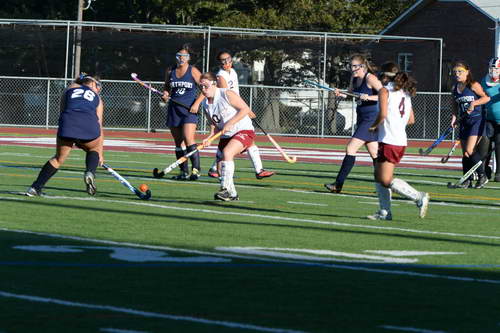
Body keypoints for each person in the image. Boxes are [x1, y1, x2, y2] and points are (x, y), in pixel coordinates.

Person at [191, 50, 274, 180]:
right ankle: (218, 171)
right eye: (224, 61)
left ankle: (258, 170)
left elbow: (234, 96)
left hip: (237, 113)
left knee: (241, 145)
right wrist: (210, 136)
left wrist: (245, 109)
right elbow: (226, 94)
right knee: (229, 150)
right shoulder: (221, 76)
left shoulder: (233, 72)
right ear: (220, 63)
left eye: (229, 59)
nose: (227, 63)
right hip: (230, 112)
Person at [25, 73, 104, 196]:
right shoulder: (98, 99)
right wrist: (100, 153)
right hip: (89, 126)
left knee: (58, 158)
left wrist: (72, 135)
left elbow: (62, 111)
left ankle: (35, 188)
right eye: (98, 86)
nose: (99, 89)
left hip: (68, 124)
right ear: (93, 83)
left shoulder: (70, 88)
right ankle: (90, 172)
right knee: (93, 148)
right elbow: (99, 125)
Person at [367, 70, 429, 220]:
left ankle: (418, 196)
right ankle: (384, 212)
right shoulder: (404, 93)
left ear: (386, 77)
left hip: (390, 140)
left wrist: (374, 126)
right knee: (378, 175)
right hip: (399, 139)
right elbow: (411, 119)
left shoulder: (385, 91)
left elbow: (382, 115)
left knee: (386, 180)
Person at [324, 54, 383, 193]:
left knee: (350, 149)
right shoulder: (354, 78)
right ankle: (383, 186)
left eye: (354, 66)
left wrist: (369, 97)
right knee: (375, 154)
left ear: (362, 66)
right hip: (362, 117)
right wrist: (341, 93)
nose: (352, 69)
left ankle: (338, 185)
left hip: (371, 118)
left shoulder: (370, 78)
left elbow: (384, 94)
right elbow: (351, 94)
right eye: (351, 66)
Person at [198, 72, 255, 201]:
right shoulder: (205, 104)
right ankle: (232, 193)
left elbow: (245, 109)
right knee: (219, 168)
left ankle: (224, 190)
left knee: (227, 153)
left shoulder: (226, 94)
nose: (203, 89)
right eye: (200, 87)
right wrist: (210, 137)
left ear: (214, 84)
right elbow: (215, 124)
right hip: (226, 135)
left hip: (243, 130)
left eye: (205, 86)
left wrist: (230, 123)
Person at [162, 44, 202, 181]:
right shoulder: (170, 71)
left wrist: (196, 104)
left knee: (189, 139)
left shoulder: (193, 71)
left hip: (189, 111)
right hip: (174, 110)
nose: (181, 58)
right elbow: (167, 87)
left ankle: (196, 170)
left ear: (188, 58)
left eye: (184, 56)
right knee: (178, 143)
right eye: (179, 56)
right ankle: (183, 172)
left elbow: (206, 88)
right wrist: (165, 94)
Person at [451, 60, 491, 188]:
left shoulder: (473, 85)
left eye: (460, 71)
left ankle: (482, 175)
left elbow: (486, 97)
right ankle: (467, 180)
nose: (457, 74)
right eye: (455, 72)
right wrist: (454, 118)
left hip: (476, 121)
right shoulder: (455, 88)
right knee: (465, 154)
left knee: (470, 150)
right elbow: (454, 105)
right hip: (464, 122)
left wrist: (474, 103)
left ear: (467, 72)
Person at [479, 57, 500, 182]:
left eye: (496, 68)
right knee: (484, 144)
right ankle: (484, 171)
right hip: (487, 118)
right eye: (492, 68)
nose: (494, 70)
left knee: (498, 145)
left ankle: (499, 173)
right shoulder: (484, 81)